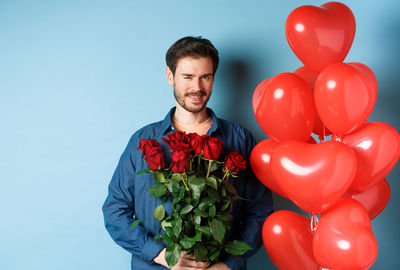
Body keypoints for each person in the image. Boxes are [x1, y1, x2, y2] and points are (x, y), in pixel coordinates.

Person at [102, 36, 274, 270]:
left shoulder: (239, 138)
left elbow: (259, 211)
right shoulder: (143, 141)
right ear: (170, 76)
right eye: (188, 77)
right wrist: (162, 255)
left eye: (206, 77)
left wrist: (229, 264)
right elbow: (115, 210)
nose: (197, 87)